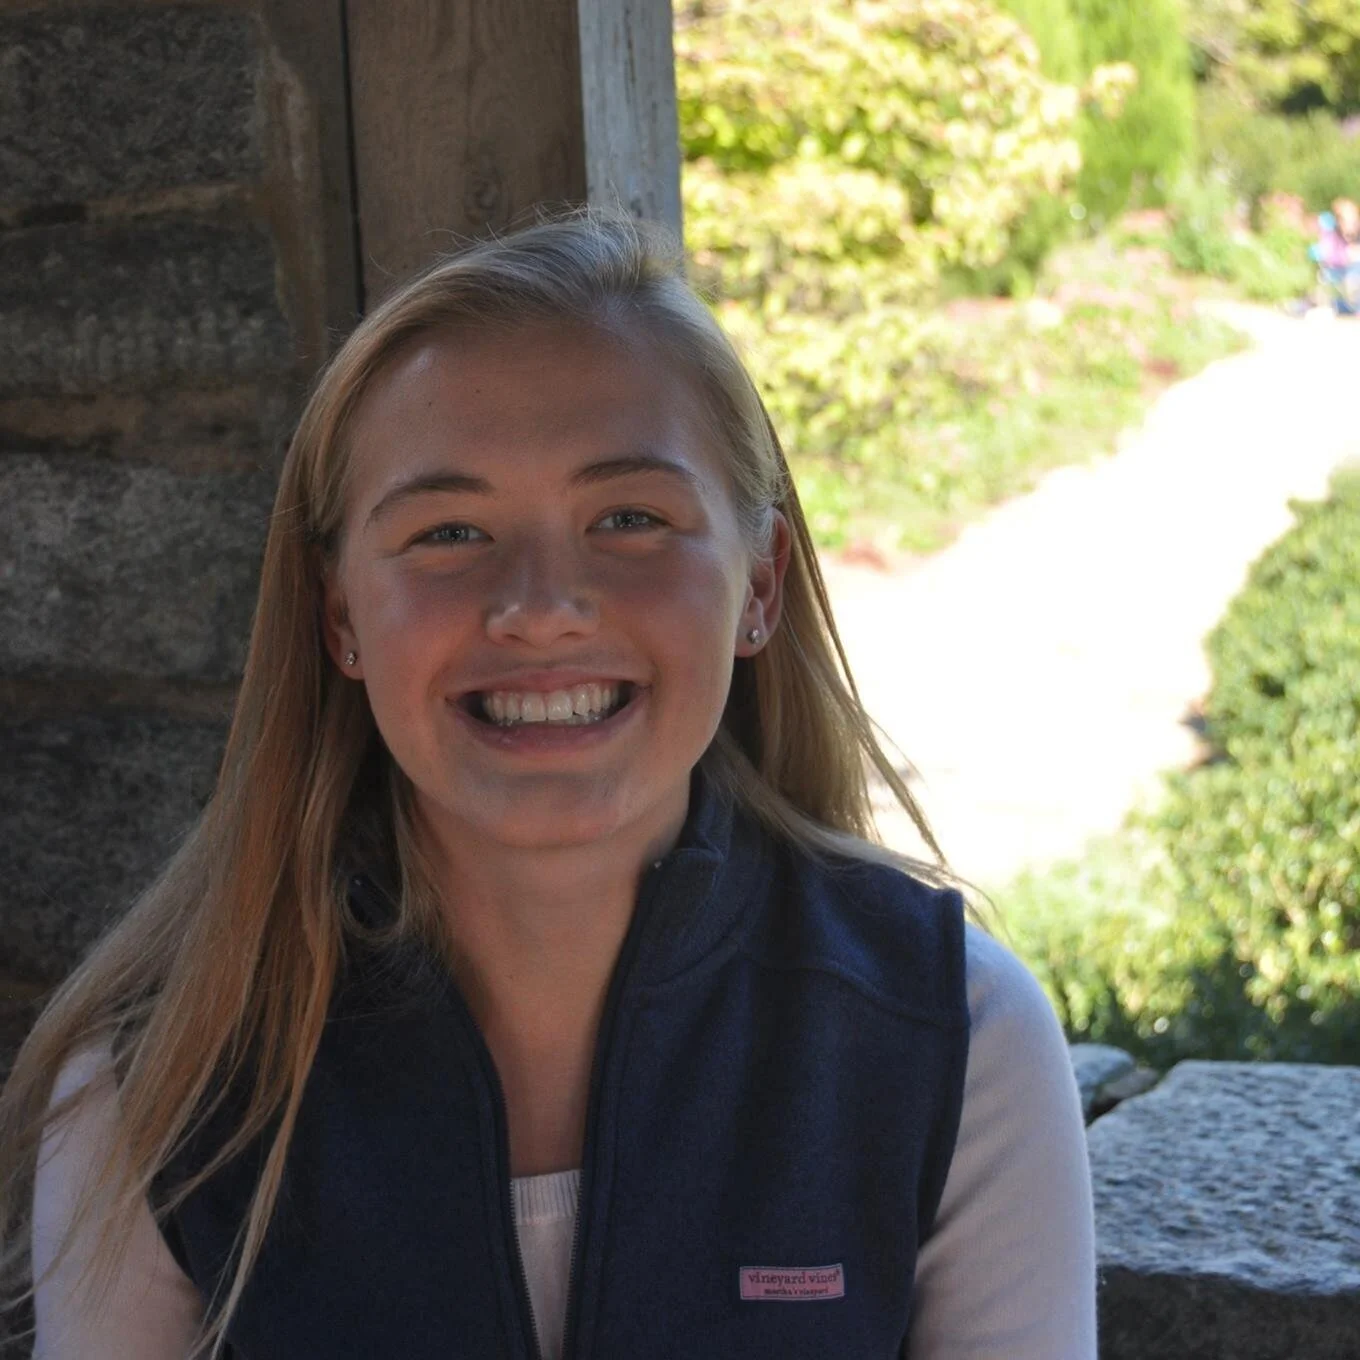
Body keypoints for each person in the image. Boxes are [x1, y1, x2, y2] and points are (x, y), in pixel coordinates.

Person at [1, 212, 1094, 1359]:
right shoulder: (159, 1088)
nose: (538, 606)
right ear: (340, 615)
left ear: (760, 583)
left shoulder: (954, 1043)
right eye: (449, 531)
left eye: (629, 518)